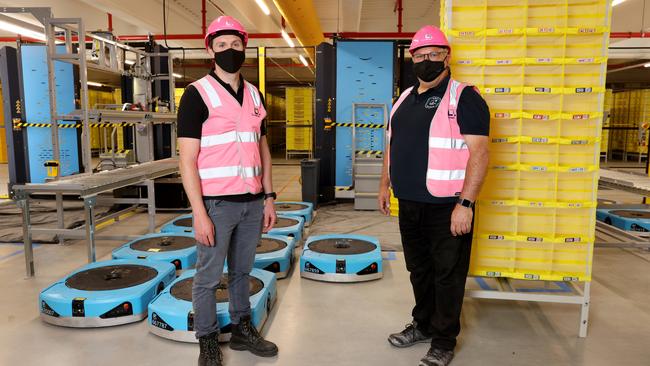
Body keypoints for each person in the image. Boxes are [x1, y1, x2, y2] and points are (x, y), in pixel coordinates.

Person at [379, 25, 490, 366]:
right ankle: (423, 324)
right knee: (419, 270)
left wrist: (465, 204)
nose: (426, 60)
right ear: (411, 58)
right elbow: (391, 146)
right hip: (410, 203)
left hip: (447, 207)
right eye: (420, 55)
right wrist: (385, 185)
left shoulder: (464, 97)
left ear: (447, 56)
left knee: (448, 274)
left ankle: (443, 341)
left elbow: (480, 153)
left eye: (433, 54)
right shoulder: (403, 98)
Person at [177, 15, 278, 366]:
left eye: (235, 45)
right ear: (210, 49)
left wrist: (269, 196)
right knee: (207, 278)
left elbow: (262, 148)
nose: (229, 51)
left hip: (252, 202)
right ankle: (207, 340)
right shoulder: (196, 94)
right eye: (221, 45)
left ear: (244, 48)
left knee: (241, 272)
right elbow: (186, 161)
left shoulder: (253, 94)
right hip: (216, 205)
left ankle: (241, 329)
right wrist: (199, 213)